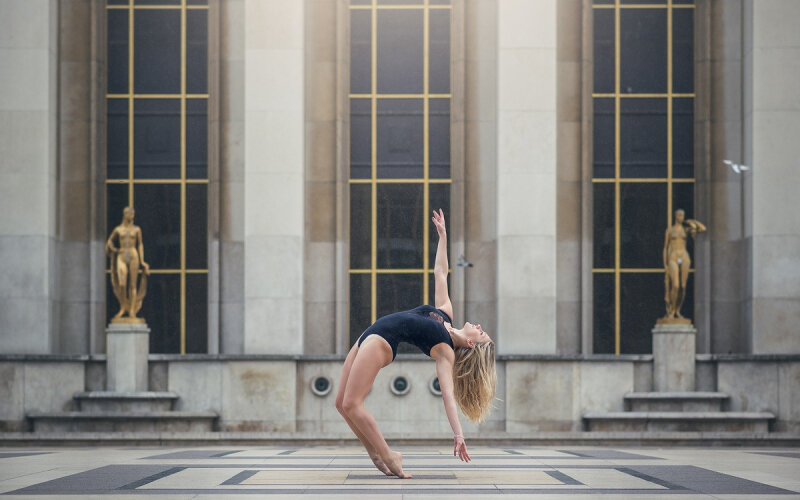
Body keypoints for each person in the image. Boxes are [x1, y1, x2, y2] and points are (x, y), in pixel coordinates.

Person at [335, 209, 496, 479]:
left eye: (481, 334)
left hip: (382, 342)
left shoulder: (445, 350)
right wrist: (443, 235)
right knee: (341, 403)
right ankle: (374, 452)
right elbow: (440, 273)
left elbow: (447, 394)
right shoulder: (446, 315)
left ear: (470, 343)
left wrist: (458, 434)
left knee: (353, 403)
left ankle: (389, 455)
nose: (480, 327)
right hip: (369, 334)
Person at [105, 206, 150, 321]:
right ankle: (123, 306)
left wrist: (142, 261)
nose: (132, 216)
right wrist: (113, 249)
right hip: (122, 255)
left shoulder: (137, 230)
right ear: (125, 214)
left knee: (133, 284)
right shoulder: (118, 229)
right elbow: (109, 241)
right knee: (122, 283)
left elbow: (140, 244)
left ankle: (131, 311)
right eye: (130, 214)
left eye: (133, 214)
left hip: (133, 254)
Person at [662, 209, 706, 320]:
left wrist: (691, 221)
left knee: (683, 286)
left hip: (684, 256)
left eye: (683, 215)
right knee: (675, 285)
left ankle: (677, 310)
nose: (681, 217)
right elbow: (665, 247)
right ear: (675, 216)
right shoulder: (670, 230)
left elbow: (703, 229)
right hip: (673, 256)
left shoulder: (686, 229)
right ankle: (671, 311)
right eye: (679, 215)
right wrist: (665, 264)